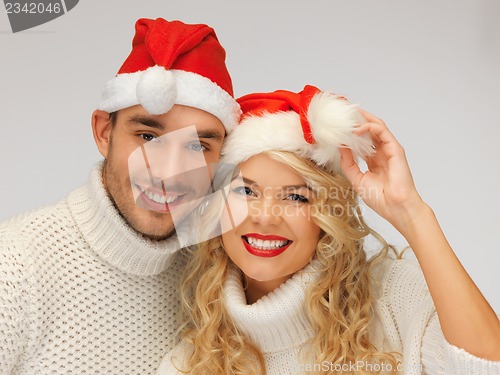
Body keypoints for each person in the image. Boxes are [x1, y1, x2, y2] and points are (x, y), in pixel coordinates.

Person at [157, 86, 500, 374]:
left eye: (295, 196)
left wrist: (412, 213)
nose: (265, 217)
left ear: (327, 215)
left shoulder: (393, 296)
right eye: (246, 191)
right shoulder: (188, 364)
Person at [0, 18, 240, 374]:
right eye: (147, 137)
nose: (168, 172)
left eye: (196, 145)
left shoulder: (213, 272)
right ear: (103, 131)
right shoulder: (15, 266)